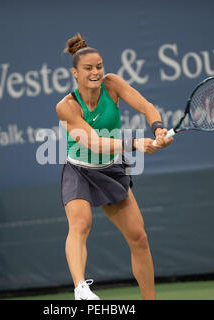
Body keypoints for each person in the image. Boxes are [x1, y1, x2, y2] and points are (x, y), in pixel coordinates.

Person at [56, 33, 173, 300]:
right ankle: (81, 289)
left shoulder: (113, 85)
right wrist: (136, 143)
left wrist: (157, 129)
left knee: (139, 238)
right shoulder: (66, 107)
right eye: (88, 68)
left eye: (99, 66)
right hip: (79, 171)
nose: (96, 72)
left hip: (111, 169)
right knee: (80, 224)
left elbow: (146, 106)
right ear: (75, 72)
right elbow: (94, 143)